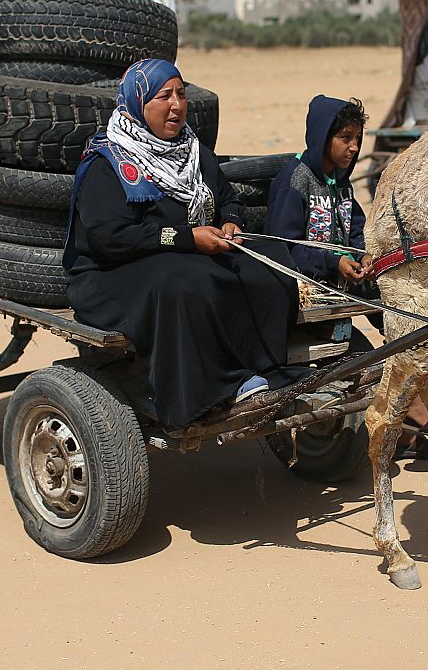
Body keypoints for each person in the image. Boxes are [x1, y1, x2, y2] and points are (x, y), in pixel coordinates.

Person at [63, 58, 299, 430]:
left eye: (181, 94)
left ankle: (266, 368)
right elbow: (110, 237)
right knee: (185, 283)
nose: (176, 105)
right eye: (163, 96)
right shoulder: (109, 162)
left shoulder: (193, 152)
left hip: (185, 256)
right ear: (137, 104)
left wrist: (231, 222)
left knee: (269, 263)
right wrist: (187, 238)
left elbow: (228, 198)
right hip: (112, 272)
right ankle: (210, 391)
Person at [266, 95, 428, 461]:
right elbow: (282, 248)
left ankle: (414, 401)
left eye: (357, 139)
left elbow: (355, 231)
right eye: (345, 138)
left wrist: (363, 254)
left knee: (404, 311)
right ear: (323, 137)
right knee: (387, 329)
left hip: (341, 278)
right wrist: (334, 262)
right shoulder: (295, 182)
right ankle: (415, 411)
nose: (354, 148)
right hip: (307, 286)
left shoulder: (342, 183)